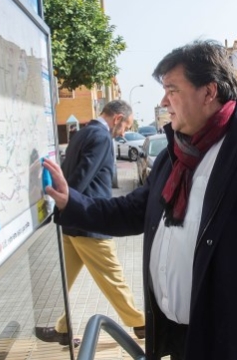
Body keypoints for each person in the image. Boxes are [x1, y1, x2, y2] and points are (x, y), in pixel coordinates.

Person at [43, 40, 237, 360]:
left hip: (236, 345)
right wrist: (71, 202)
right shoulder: (173, 155)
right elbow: (134, 209)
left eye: (172, 89)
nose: (164, 101)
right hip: (179, 339)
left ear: (208, 92)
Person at [35, 100, 145, 347]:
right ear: (117, 118)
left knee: (66, 279)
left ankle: (63, 329)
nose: (124, 132)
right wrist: (72, 206)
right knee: (111, 275)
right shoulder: (101, 136)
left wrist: (65, 210)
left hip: (73, 221)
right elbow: (82, 175)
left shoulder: (81, 132)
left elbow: (67, 172)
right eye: (125, 125)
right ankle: (142, 324)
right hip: (90, 220)